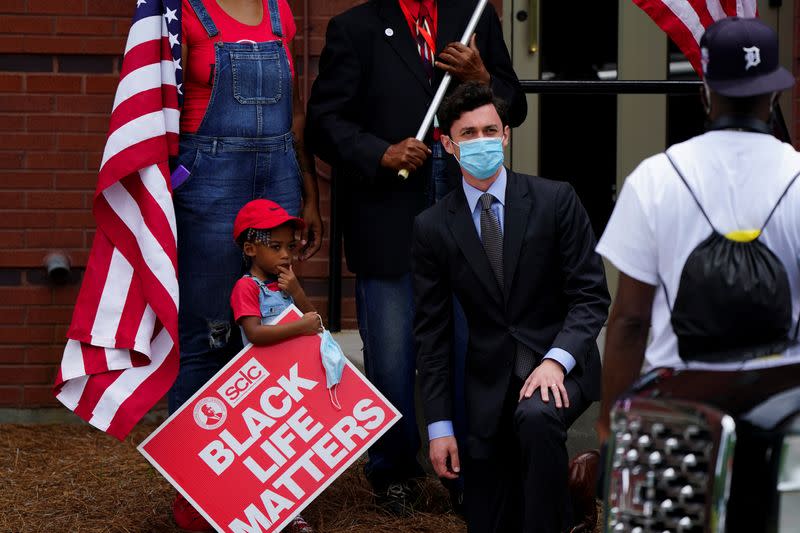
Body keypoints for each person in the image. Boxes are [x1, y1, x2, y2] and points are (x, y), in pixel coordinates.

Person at [305, 0, 526, 512]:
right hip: (389, 214)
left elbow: (513, 107)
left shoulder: (475, 19)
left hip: (467, 211)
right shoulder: (354, 28)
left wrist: (482, 77)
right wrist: (378, 152)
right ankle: (394, 471)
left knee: (474, 348)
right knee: (394, 354)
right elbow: (324, 122)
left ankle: (473, 473)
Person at [412, 82, 610, 532]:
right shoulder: (432, 228)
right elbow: (432, 333)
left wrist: (556, 362)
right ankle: (574, 498)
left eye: (489, 130)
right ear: (447, 144)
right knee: (490, 517)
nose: (481, 141)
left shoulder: (555, 200)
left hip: (561, 364)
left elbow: (591, 295)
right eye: (468, 134)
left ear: (506, 135)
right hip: (488, 383)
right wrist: (440, 426)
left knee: (537, 416)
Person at [595, 17, 800, 443]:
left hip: (679, 410)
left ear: (704, 91)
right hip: (785, 407)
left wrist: (609, 430)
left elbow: (630, 321)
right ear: (775, 93)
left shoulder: (655, 179)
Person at [168, 1, 322, 529]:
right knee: (209, 333)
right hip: (207, 181)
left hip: (278, 174)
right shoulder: (181, 11)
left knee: (281, 330)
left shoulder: (280, 11)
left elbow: (296, 111)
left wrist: (309, 192)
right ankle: (197, 494)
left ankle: (277, 494)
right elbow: (157, 105)